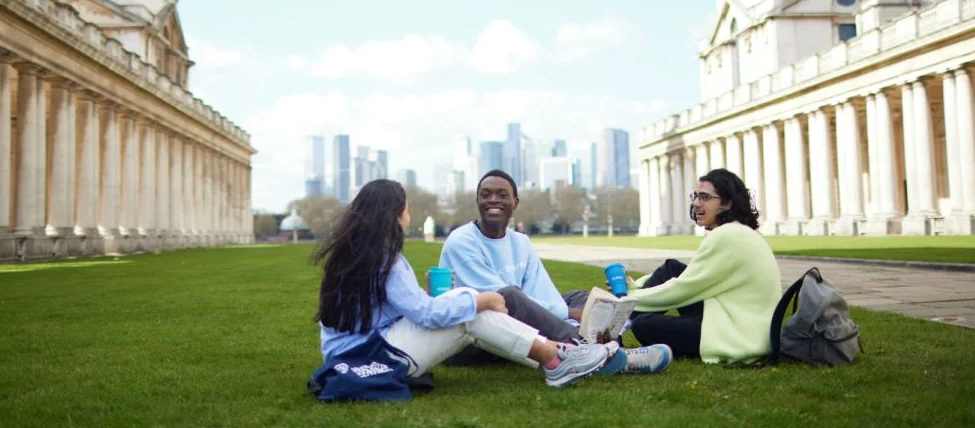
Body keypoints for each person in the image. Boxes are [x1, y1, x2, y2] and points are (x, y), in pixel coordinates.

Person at [314, 179, 615, 391]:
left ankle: (557, 355)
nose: (409, 215)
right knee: (472, 309)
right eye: (406, 209)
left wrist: (463, 300)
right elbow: (425, 314)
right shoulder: (384, 257)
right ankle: (557, 358)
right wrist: (480, 301)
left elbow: (399, 309)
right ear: (393, 214)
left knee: (467, 300)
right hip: (371, 359)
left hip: (358, 352)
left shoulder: (357, 252)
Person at [439, 170, 672, 375]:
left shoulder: (520, 242)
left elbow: (540, 292)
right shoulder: (462, 241)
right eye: (486, 194)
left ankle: (604, 343)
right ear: (477, 200)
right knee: (508, 296)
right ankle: (596, 353)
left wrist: (577, 312)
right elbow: (498, 303)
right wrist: (573, 316)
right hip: (477, 336)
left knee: (582, 298)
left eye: (502, 195)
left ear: (515, 202)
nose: (493, 200)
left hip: (518, 317)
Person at [619, 168, 782, 364]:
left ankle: (618, 323)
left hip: (739, 335)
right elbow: (690, 276)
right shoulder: (737, 232)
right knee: (671, 268)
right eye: (695, 196)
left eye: (704, 197)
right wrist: (634, 288)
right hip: (738, 321)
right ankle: (619, 323)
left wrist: (629, 298)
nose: (696, 203)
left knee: (644, 325)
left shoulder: (727, 236)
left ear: (727, 203)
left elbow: (683, 288)